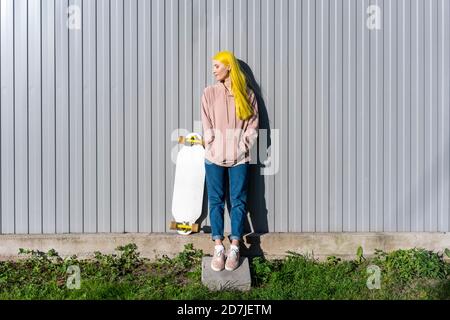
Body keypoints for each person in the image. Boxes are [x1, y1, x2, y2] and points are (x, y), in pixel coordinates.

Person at [200, 51, 259, 272]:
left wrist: (240, 148)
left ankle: (235, 246)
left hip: (240, 158)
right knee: (215, 200)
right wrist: (212, 145)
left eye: (217, 66)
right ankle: (218, 246)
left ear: (229, 68)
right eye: (213, 66)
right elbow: (206, 124)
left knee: (238, 201)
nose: (214, 70)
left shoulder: (247, 95)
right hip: (213, 157)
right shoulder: (209, 93)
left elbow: (253, 127)